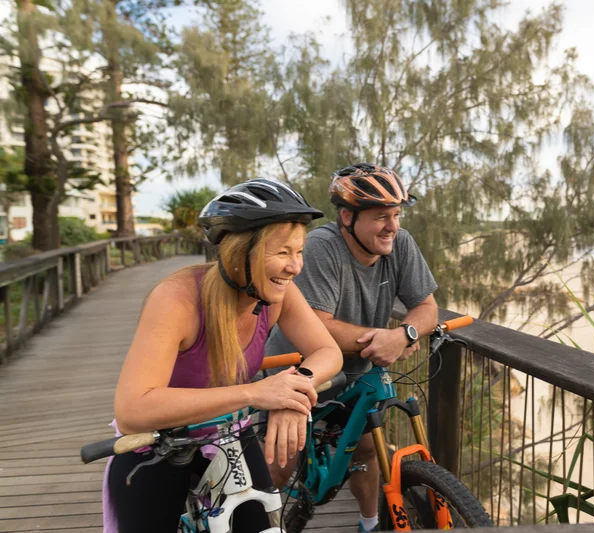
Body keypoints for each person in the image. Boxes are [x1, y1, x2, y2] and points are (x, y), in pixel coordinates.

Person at [104, 178, 343, 533]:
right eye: (282, 253)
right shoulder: (177, 301)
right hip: (153, 446)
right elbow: (132, 409)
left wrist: (294, 391)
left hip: (227, 435)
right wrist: (254, 393)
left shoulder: (278, 293)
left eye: (300, 251)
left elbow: (327, 351)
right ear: (238, 253)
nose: (296, 267)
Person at [265, 163, 439, 532]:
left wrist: (403, 335)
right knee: (281, 459)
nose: (392, 226)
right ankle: (261, 521)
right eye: (381, 217)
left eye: (396, 215)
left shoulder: (400, 243)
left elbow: (427, 308)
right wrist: (384, 338)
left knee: (365, 449)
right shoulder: (321, 248)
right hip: (297, 368)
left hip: (356, 372)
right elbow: (318, 327)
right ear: (347, 217)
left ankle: (369, 523)